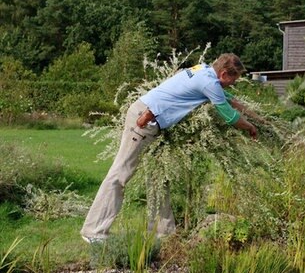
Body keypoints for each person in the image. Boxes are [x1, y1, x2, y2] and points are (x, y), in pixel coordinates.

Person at [80, 53, 260, 243]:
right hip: (143, 122)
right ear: (223, 74)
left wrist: (260, 119)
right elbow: (229, 115)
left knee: (158, 178)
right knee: (120, 175)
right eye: (233, 79)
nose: (233, 83)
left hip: (150, 121)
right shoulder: (209, 83)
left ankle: (163, 233)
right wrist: (250, 127)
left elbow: (231, 100)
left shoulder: (203, 71)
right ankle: (93, 232)